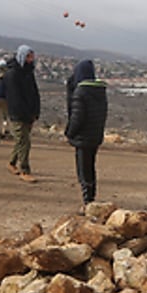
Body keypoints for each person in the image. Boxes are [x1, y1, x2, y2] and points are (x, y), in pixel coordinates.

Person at [64, 59, 107, 205]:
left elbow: (77, 117)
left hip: (82, 137)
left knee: (83, 171)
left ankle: (87, 201)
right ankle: (91, 198)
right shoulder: (100, 91)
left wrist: (69, 133)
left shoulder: (81, 92)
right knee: (90, 168)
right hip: (95, 135)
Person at [3, 44, 41, 183]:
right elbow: (15, 98)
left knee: (21, 140)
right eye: (28, 57)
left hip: (29, 113)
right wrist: (25, 113)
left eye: (32, 56)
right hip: (18, 114)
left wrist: (35, 111)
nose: (31, 59)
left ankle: (12, 163)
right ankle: (25, 170)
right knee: (24, 141)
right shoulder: (12, 74)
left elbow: (33, 93)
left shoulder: (28, 72)